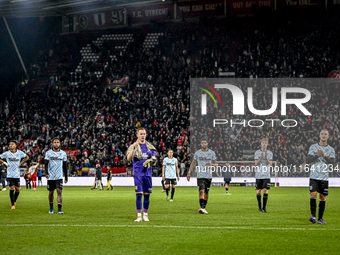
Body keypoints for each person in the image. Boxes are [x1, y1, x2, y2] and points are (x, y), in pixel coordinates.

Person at [126, 127, 156, 222]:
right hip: (138, 173)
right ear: (137, 135)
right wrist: (134, 148)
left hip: (147, 174)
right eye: (141, 134)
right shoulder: (133, 146)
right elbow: (128, 158)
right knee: (139, 194)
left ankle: (145, 215)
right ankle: (139, 215)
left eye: (144, 134)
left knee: (147, 194)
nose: (143, 135)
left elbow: (154, 161)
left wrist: (152, 161)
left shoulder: (150, 147)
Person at [307, 129, 335, 224]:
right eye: (322, 134)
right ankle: (313, 216)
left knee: (322, 197)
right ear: (319, 135)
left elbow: (333, 162)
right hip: (314, 176)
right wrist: (317, 156)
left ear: (328, 136)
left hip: (324, 177)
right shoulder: (313, 147)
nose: (323, 135)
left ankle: (320, 219)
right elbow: (308, 159)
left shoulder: (331, 150)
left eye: (325, 134)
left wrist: (324, 156)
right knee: (313, 194)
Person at [187, 138, 217, 214]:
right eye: (202, 143)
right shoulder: (197, 153)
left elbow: (216, 164)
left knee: (206, 192)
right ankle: (202, 208)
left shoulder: (212, 153)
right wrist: (189, 172)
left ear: (207, 144)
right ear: (200, 144)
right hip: (200, 175)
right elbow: (194, 162)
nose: (203, 144)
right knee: (201, 190)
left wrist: (211, 164)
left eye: (204, 143)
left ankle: (204, 207)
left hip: (208, 175)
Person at [0, 140, 29, 209]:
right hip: (9, 175)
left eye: (12, 144)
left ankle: (14, 200)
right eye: (10, 144)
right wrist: (5, 163)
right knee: (11, 188)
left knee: (17, 189)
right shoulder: (6, 153)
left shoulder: (19, 153)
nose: (11, 145)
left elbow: (27, 157)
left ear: (16, 146)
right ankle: (12, 204)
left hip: (17, 175)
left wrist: (21, 163)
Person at [44, 137, 68, 214]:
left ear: (60, 144)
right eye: (55, 142)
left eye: (58, 142)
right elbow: (46, 164)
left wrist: (66, 177)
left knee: (59, 191)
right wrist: (46, 173)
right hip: (51, 176)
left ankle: (59, 209)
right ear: (52, 144)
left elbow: (65, 166)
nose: (56, 144)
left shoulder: (63, 153)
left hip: (59, 176)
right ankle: (51, 208)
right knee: (51, 192)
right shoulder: (48, 153)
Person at [254, 138, 273, 213]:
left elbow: (270, 164)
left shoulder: (270, 153)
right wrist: (261, 157)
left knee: (265, 190)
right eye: (263, 142)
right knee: (258, 191)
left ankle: (264, 208)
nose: (264, 144)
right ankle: (259, 206)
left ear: (267, 144)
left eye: (265, 143)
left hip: (266, 174)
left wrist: (266, 158)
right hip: (259, 174)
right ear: (261, 144)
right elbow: (256, 163)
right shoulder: (257, 152)